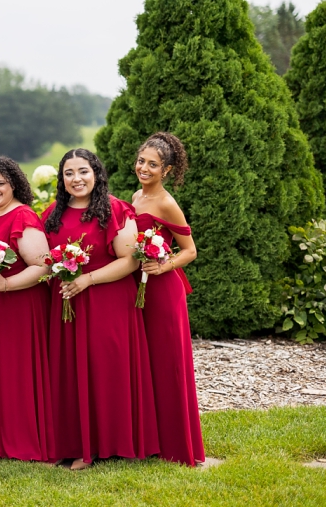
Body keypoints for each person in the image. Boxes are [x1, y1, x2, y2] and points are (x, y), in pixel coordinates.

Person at [42, 148, 159, 470]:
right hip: (66, 302)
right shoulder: (52, 213)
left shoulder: (115, 209)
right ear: (61, 179)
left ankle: (99, 445)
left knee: (104, 371)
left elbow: (130, 260)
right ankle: (69, 442)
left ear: (96, 173)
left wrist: (87, 279)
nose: (76, 179)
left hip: (108, 301)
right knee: (69, 372)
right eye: (69, 173)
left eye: (83, 171)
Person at [0, 156, 53, 461]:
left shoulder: (23, 216)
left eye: (1, 183)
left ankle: (19, 437)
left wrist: (7, 284)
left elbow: (43, 267)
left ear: (14, 184)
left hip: (17, 304)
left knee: (14, 370)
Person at [132, 132, 204, 466]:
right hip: (138, 288)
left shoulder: (166, 203)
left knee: (168, 364)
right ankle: (149, 439)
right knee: (145, 363)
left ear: (167, 170)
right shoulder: (136, 196)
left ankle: (177, 445)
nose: (144, 168)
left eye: (153, 164)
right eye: (141, 161)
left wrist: (163, 266)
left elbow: (190, 250)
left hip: (163, 292)